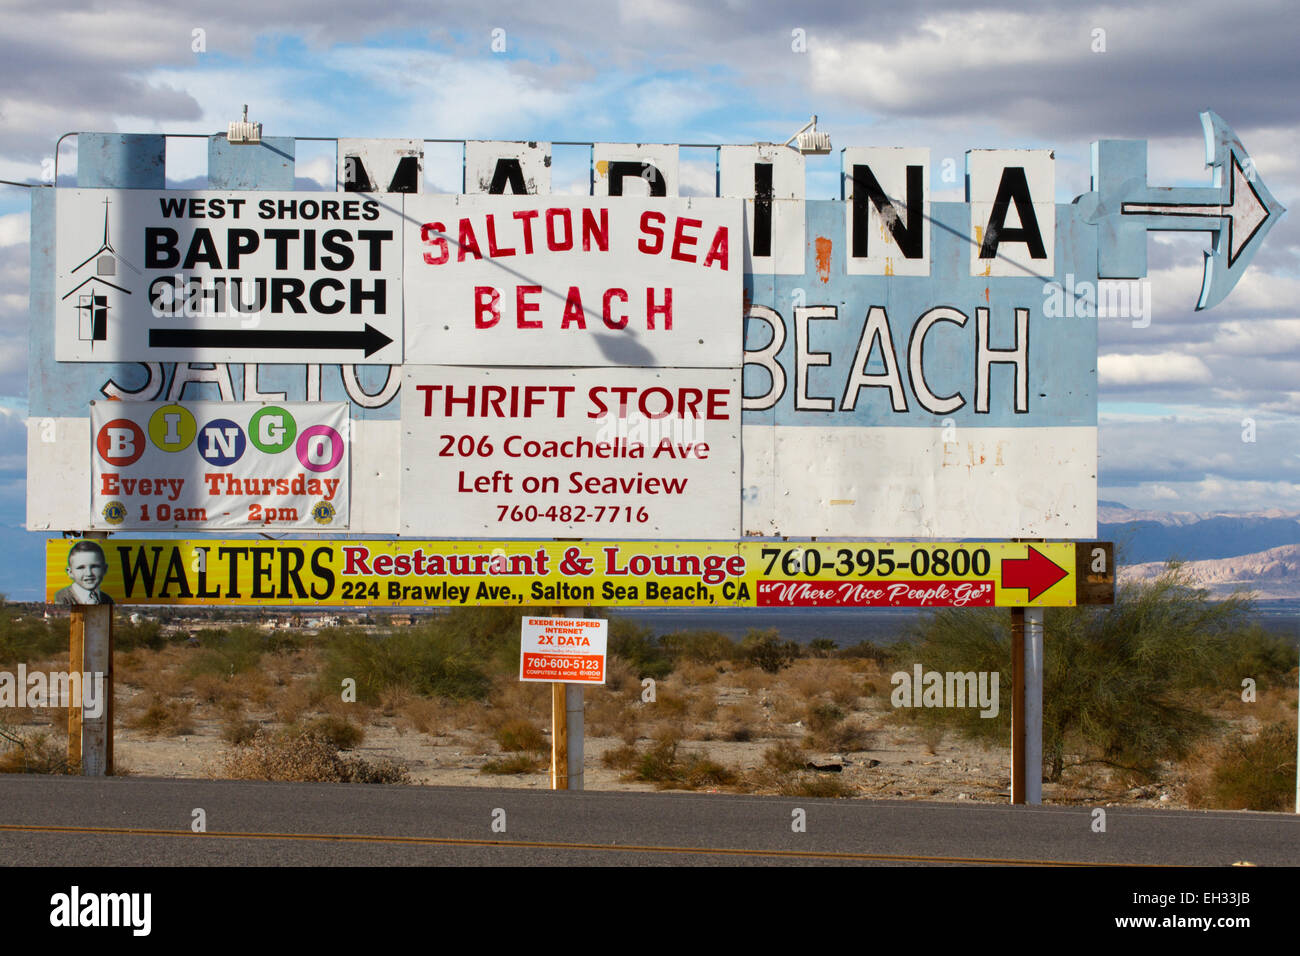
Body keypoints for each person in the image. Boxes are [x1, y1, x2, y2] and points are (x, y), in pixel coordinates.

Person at [53, 540, 114, 606]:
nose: (89, 573)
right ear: (70, 572)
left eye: (94, 567)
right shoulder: (62, 597)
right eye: (81, 567)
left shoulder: (107, 599)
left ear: (104, 569)